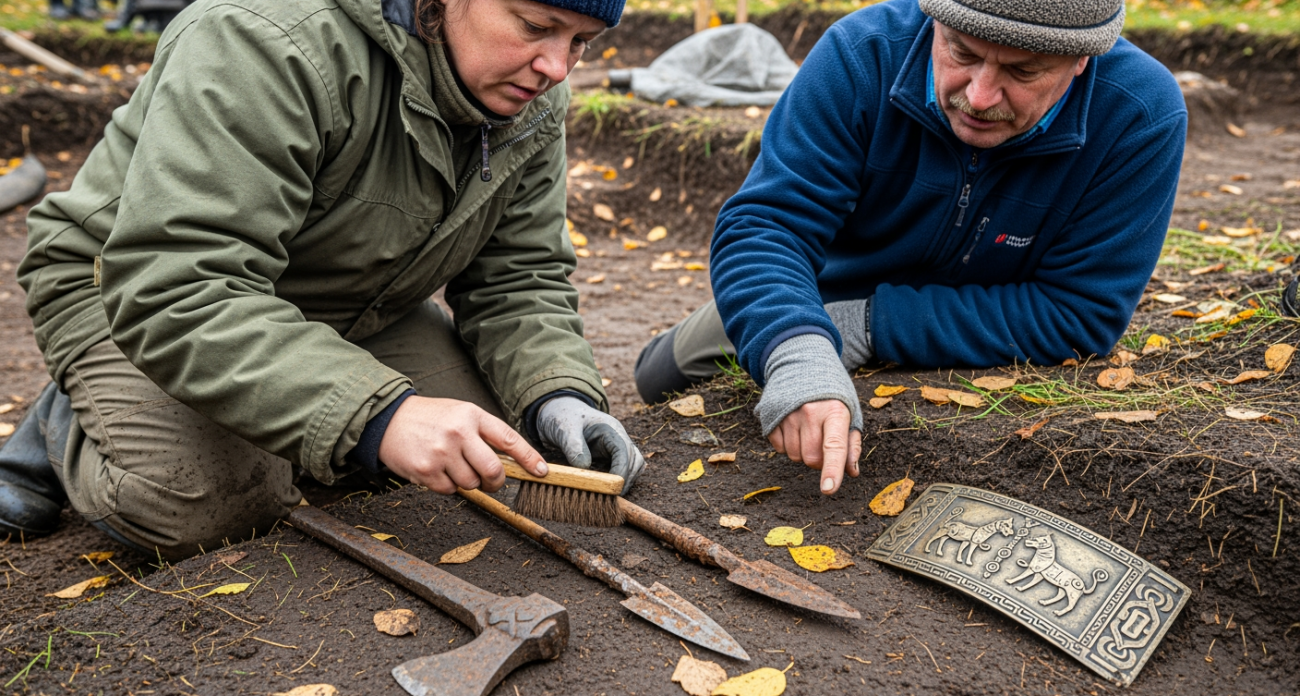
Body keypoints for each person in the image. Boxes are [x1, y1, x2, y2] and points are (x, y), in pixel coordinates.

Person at [3, 0, 646, 558]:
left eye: (581, 43)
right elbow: (179, 282)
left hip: (347, 300)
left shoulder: (534, 98)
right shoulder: (264, 40)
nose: (557, 68)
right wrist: (380, 414)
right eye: (537, 26)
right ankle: (70, 414)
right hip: (135, 287)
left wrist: (559, 393)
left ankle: (262, 402)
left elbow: (520, 274)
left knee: (486, 445)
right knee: (204, 505)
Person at [635, 0, 1186, 496]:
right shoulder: (862, 53)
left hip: (989, 302)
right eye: (961, 53)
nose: (979, 95)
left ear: (1082, 59)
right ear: (934, 22)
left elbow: (1079, 312)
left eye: (1022, 71)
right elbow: (767, 224)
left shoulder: (1140, 113)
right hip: (822, 287)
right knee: (658, 376)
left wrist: (867, 326)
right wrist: (798, 347)